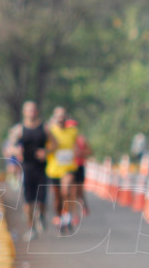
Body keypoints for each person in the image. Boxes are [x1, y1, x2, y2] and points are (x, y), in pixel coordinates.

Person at [11, 101, 51, 241]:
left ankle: (41, 216)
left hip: (41, 168)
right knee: (28, 203)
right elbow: (9, 147)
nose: (31, 113)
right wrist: (16, 151)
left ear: (37, 112)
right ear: (24, 112)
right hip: (26, 168)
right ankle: (31, 228)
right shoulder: (19, 129)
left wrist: (46, 151)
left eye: (34, 110)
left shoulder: (44, 127)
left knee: (41, 202)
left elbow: (55, 143)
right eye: (29, 110)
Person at [45, 106, 79, 234]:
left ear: (66, 118)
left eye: (63, 116)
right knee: (57, 198)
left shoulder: (73, 131)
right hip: (54, 169)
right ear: (54, 118)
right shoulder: (50, 131)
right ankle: (60, 217)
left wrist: (77, 153)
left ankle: (68, 217)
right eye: (58, 116)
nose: (61, 118)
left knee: (66, 191)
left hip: (68, 168)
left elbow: (76, 146)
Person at [69, 118, 92, 222]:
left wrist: (81, 153)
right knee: (71, 191)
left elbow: (89, 151)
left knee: (79, 190)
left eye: (74, 127)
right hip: (68, 168)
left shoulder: (81, 139)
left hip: (79, 166)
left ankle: (83, 205)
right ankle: (74, 214)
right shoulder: (65, 139)